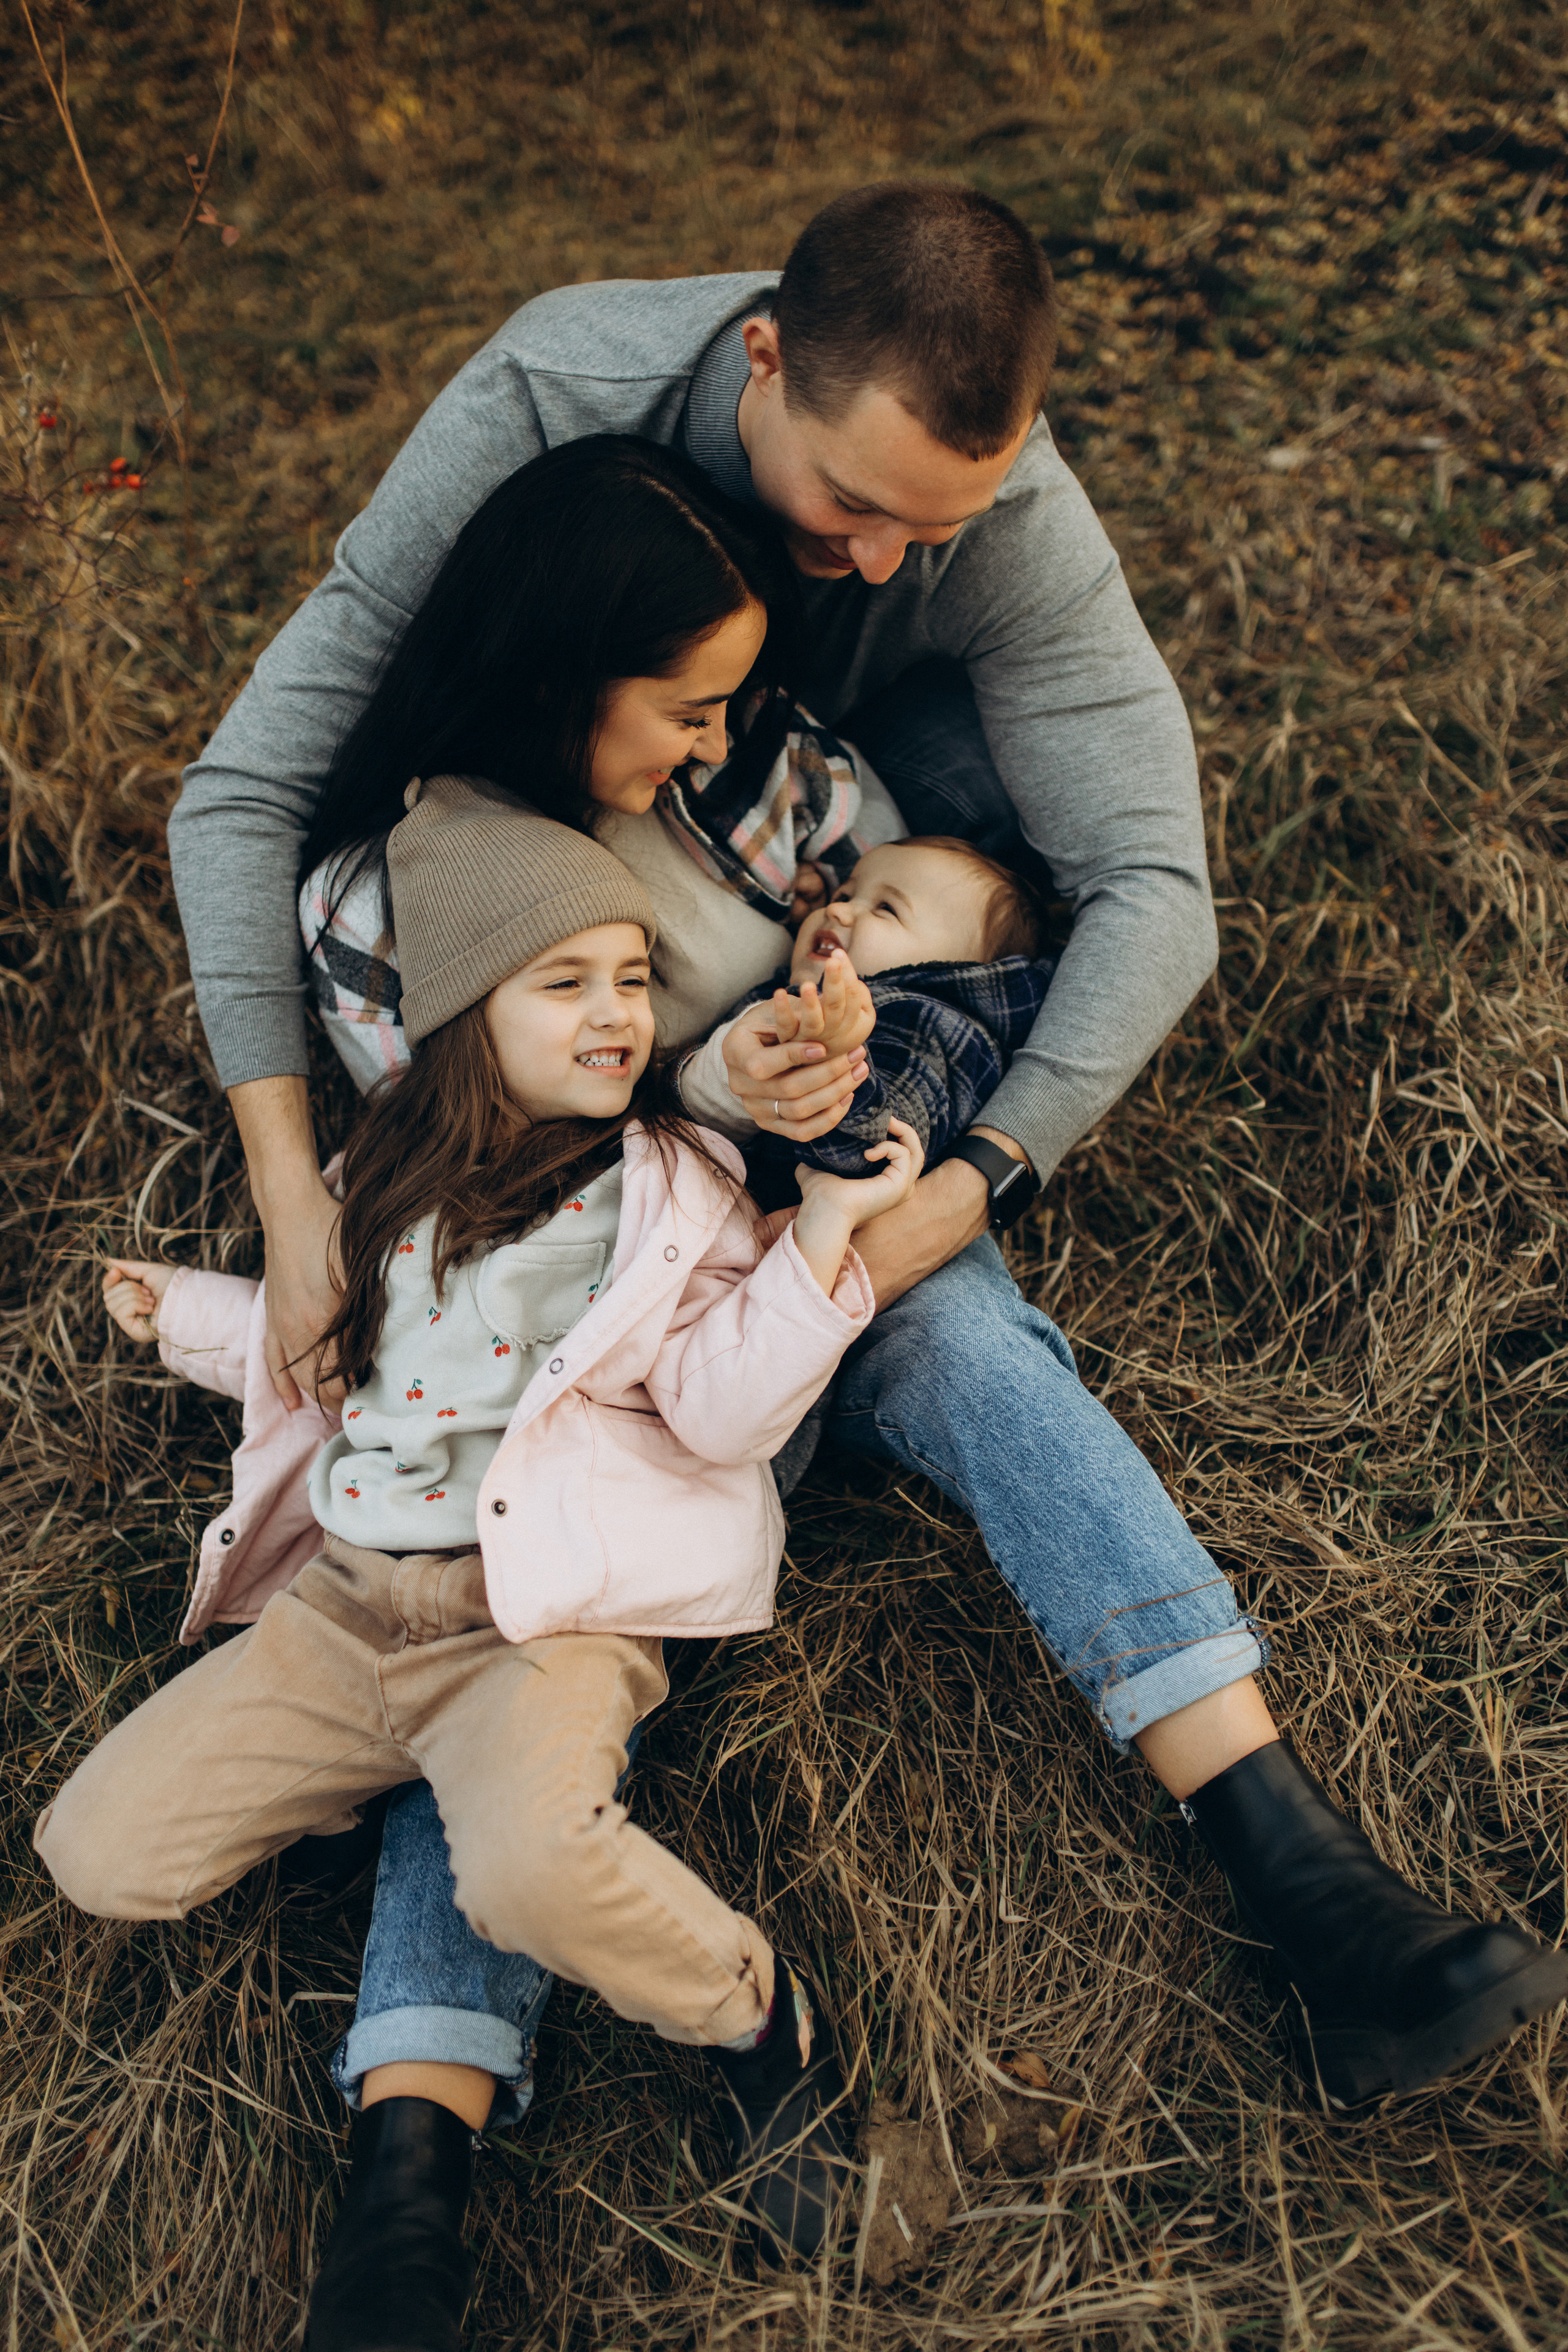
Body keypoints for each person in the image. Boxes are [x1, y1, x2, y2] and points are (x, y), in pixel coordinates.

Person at [161, 184, 1564, 2346]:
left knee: (954, 1327)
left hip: (779, 1121)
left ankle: (1304, 1876)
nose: (898, 568)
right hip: (555, 1186)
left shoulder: (852, 694)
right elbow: (248, 799)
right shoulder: (546, 445)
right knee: (496, 1538)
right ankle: (412, 2149)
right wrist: (296, 1203)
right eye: (852, 510)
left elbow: (1156, 887)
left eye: (948, 524)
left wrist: (950, 1166)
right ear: (752, 368)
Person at [44, 777, 923, 2289]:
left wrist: (823, 1246)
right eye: (562, 982)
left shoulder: (669, 1187)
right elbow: (317, 1347)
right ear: (464, 1014)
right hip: (341, 1616)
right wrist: (188, 1314)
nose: (616, 1014)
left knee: (523, 1875)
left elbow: (721, 1409)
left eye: (633, 979)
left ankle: (757, 2012)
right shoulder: (379, 1176)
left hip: (531, 1626)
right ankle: (343, 1774)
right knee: (93, 1851)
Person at [681, 834, 1058, 1212]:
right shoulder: (794, 989)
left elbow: (878, 1149)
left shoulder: (936, 1027)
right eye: (844, 895)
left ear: (954, 969)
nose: (838, 911)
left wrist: (834, 1064)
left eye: (885, 909)